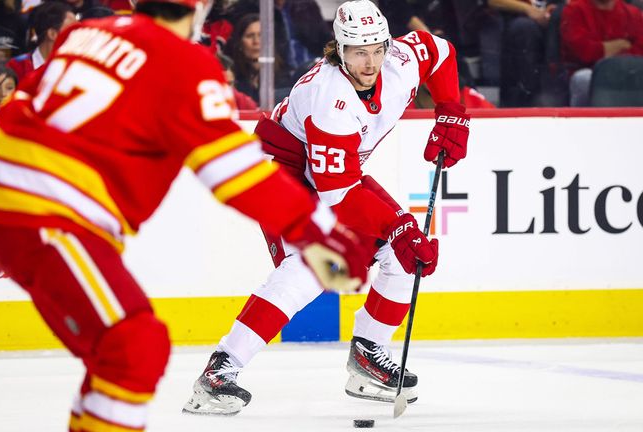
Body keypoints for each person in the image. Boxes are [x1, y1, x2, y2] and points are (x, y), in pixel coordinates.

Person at [0, 1, 370, 430]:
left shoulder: (84, 34)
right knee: (133, 347)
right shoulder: (183, 61)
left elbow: (21, 109)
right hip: (50, 212)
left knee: (119, 352)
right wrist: (318, 232)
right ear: (199, 8)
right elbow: (235, 172)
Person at [183, 0, 470, 416]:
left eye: (376, 48)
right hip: (286, 177)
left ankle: (369, 355)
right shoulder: (328, 99)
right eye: (358, 52)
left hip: (337, 175)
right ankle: (218, 373)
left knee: (406, 255)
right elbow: (339, 197)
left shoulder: (398, 61)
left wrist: (451, 112)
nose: (370, 62)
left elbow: (439, 51)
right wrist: (397, 225)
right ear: (339, 49)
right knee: (310, 269)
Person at [560, 0, 643, 106]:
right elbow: (584, 52)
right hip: (590, 72)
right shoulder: (575, 9)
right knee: (583, 78)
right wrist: (621, 45)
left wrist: (603, 48)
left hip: (626, 73)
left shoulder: (632, 13)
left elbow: (639, 51)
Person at [7, 1, 77, 80]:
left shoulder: (78, 68)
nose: (78, 35)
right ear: (52, 34)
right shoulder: (17, 66)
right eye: (72, 30)